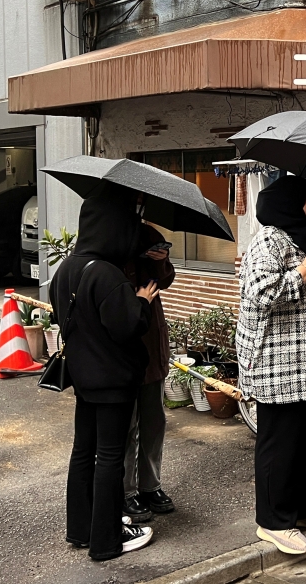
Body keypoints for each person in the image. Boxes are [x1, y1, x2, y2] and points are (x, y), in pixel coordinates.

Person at [51, 183, 157, 561]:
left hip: (82, 377)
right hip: (113, 381)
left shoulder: (66, 268)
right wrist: (142, 302)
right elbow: (127, 327)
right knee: (110, 458)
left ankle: (80, 531)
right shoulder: (108, 274)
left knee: (83, 452)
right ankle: (107, 541)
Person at [236, 176, 306, 556]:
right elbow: (261, 292)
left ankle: (298, 508)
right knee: (278, 444)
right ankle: (273, 521)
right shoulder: (268, 240)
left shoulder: (299, 239)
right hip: (275, 362)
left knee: (302, 441)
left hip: (304, 360)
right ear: (289, 206)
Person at [121, 224, 177, 523]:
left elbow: (166, 280)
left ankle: (150, 486)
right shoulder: (110, 235)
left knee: (154, 421)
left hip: (152, 341)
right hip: (126, 344)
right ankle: (126, 490)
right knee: (127, 427)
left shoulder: (148, 232)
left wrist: (160, 260)